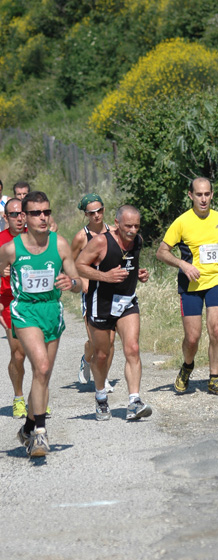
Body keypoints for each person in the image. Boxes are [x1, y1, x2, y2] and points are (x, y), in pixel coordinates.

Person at [0, 191, 82, 457]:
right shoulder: (11, 248)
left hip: (52, 311)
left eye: (46, 212)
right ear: (24, 216)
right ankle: (40, 435)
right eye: (36, 213)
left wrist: (71, 283)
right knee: (42, 365)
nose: (43, 217)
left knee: (43, 375)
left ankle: (27, 427)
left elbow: (79, 283)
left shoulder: (60, 245)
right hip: (24, 311)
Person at [156, 177, 218, 395]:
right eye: (199, 194)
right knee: (192, 338)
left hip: (216, 282)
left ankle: (214, 378)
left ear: (212, 195)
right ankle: (187, 366)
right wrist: (182, 264)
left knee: (217, 330)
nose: (203, 199)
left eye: (207, 194)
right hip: (190, 285)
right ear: (191, 195)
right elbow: (161, 251)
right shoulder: (182, 222)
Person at [76, 204, 152, 422]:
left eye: (136, 226)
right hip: (102, 303)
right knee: (102, 354)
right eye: (128, 225)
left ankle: (134, 401)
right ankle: (100, 398)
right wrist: (105, 277)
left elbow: (128, 265)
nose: (132, 230)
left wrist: (138, 274)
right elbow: (79, 265)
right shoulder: (101, 241)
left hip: (127, 302)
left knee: (133, 348)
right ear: (117, 223)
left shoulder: (137, 240)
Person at [71, 193, 114, 392]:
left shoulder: (114, 232)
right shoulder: (82, 237)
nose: (97, 215)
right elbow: (70, 263)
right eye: (92, 213)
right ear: (86, 215)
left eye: (100, 211)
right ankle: (86, 359)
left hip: (111, 292)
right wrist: (82, 279)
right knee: (95, 341)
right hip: (90, 293)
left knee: (110, 340)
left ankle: (103, 378)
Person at [0, 198, 27, 418]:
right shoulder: (0, 241)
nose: (19, 218)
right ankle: (19, 398)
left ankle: (38, 397)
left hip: (36, 302)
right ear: (5, 217)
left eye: (22, 214)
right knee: (18, 353)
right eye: (13, 215)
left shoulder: (36, 238)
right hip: (9, 302)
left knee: (39, 354)